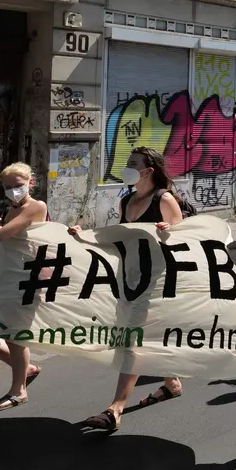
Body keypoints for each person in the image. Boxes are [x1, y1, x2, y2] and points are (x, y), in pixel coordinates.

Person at [77, 147, 185, 432]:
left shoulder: (164, 199)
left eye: (133, 163)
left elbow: (187, 242)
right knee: (146, 334)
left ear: (148, 170)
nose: (126, 168)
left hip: (159, 279)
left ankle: (115, 409)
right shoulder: (126, 200)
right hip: (131, 277)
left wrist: (168, 232)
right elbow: (120, 238)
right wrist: (84, 238)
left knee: (135, 338)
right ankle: (171, 382)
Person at [0, 162, 46, 413]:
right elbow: (0, 250)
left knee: (16, 336)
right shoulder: (11, 209)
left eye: (18, 185)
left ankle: (19, 390)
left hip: (27, 279)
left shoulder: (36, 206)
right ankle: (26, 370)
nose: (12, 191)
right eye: (7, 187)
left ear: (30, 183)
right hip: (7, 277)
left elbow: (2, 236)